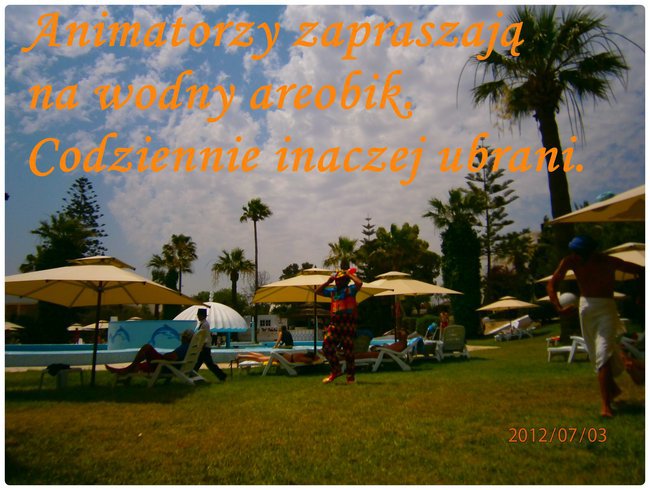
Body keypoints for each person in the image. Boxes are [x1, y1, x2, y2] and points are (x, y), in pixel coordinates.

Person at [547, 235, 643, 418]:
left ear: (591, 252)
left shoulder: (608, 261)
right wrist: (558, 307)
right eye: (575, 253)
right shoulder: (571, 261)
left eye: (580, 253)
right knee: (595, 353)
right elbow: (552, 284)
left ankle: (606, 406)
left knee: (603, 352)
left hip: (606, 308)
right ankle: (613, 390)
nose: (577, 256)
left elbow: (641, 271)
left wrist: (641, 294)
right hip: (586, 308)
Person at [316, 260, 363, 384]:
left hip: (348, 323)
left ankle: (350, 376)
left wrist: (349, 274)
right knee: (327, 347)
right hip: (335, 324)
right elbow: (317, 292)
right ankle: (336, 370)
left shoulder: (351, 290)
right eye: (337, 280)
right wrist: (328, 281)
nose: (337, 281)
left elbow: (359, 283)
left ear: (346, 281)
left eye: (340, 280)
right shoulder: (333, 291)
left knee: (348, 351)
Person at [106, 329, 194, 374]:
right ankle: (124, 371)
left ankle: (126, 370)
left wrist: (165, 355)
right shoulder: (189, 347)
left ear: (185, 338)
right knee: (140, 365)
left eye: (183, 337)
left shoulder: (184, 347)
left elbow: (173, 357)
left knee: (147, 347)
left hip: (165, 366)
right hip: (168, 366)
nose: (181, 339)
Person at [194, 308, 227, 381]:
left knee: (204, 363)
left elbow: (204, 337)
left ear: (203, 316)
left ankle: (222, 375)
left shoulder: (204, 324)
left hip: (204, 347)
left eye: (199, 315)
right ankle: (222, 375)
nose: (198, 317)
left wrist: (201, 347)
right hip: (204, 347)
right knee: (205, 363)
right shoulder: (203, 324)